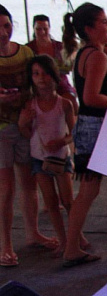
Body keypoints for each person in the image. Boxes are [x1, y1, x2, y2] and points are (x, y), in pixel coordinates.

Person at [61, 3, 107, 267]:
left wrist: (105, 38)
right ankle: (71, 245)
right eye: (103, 22)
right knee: (87, 190)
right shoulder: (95, 57)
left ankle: (73, 242)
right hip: (95, 126)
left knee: (87, 190)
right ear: (88, 28)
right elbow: (91, 97)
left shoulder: (90, 52)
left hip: (91, 125)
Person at [1, 4, 59, 268]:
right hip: (1, 130)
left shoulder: (24, 52)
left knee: (28, 183)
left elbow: (35, 82)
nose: (3, 32)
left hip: (24, 126)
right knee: (6, 188)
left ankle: (33, 232)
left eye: (6, 25)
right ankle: (6, 245)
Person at [18, 55, 77, 256]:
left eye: (44, 73)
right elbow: (27, 134)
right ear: (31, 78)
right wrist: (22, 123)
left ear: (53, 75)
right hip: (39, 158)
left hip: (61, 157)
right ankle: (63, 240)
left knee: (68, 201)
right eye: (36, 74)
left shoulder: (65, 104)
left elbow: (74, 132)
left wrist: (62, 141)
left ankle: (76, 237)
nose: (41, 78)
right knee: (51, 202)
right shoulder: (30, 105)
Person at [26, 15, 78, 110]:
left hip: (60, 82)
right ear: (34, 29)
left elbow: (70, 66)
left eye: (45, 29)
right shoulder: (28, 48)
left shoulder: (60, 46)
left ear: (49, 28)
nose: (42, 32)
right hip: (38, 85)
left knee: (71, 100)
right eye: (38, 29)